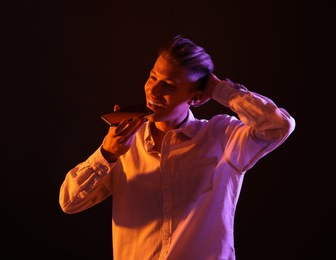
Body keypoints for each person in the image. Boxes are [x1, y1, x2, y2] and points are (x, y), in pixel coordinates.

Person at [59, 35, 296, 260]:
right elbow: (69, 202)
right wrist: (106, 154)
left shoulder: (223, 136)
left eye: (168, 85)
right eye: (152, 77)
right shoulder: (123, 143)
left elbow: (279, 126)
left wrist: (219, 89)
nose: (153, 90)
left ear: (195, 98)